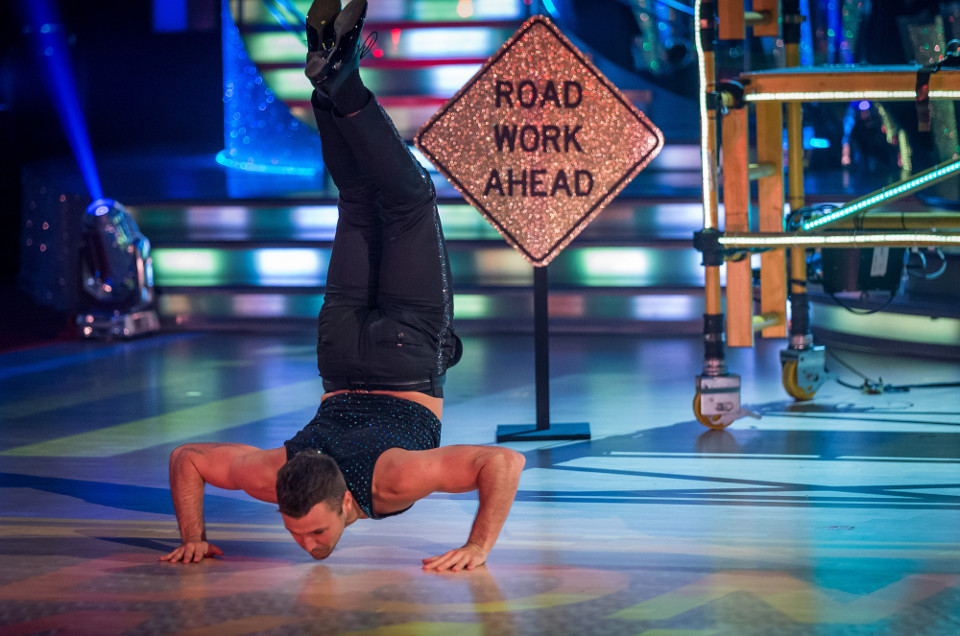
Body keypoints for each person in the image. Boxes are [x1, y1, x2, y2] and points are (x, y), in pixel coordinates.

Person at [160, 0, 525, 572]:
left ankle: (340, 80)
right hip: (340, 350)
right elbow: (189, 458)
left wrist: (478, 547)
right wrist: (193, 536)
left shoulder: (390, 482)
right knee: (356, 202)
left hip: (404, 357)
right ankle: (327, 79)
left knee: (409, 200)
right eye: (301, 534)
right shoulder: (274, 474)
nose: (306, 544)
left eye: (311, 530)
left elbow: (502, 463)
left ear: (347, 502)